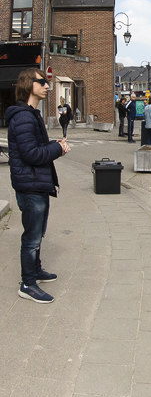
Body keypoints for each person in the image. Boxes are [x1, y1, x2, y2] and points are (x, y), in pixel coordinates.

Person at [8, 68, 70, 303]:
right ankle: (28, 283)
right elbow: (31, 154)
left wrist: (55, 146)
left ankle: (36, 270)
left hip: (36, 183)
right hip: (31, 185)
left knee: (38, 233)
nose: (47, 86)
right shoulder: (24, 116)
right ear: (28, 85)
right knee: (32, 237)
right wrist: (57, 148)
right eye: (42, 82)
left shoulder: (31, 114)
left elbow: (34, 150)